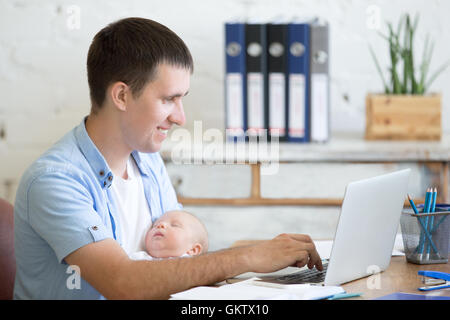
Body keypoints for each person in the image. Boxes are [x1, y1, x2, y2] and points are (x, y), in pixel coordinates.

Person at [13, 17, 322, 300]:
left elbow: (179, 261)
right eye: (168, 99)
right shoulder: (55, 180)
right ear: (121, 96)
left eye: (181, 99)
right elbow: (121, 282)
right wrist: (244, 257)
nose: (180, 118)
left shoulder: (146, 161)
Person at [129, 210, 208, 260]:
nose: (161, 225)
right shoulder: (138, 259)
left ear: (193, 250)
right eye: (155, 225)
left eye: (174, 225)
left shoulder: (191, 266)